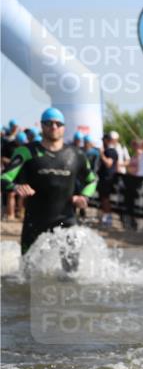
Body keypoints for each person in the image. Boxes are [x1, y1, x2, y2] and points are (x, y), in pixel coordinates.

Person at [0, 107, 96, 258]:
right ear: (42, 125)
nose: (54, 127)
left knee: (71, 275)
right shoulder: (26, 152)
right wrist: (16, 187)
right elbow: (3, 179)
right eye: (49, 123)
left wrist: (84, 196)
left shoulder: (76, 154)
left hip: (67, 221)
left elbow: (92, 180)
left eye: (58, 123)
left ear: (64, 127)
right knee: (26, 274)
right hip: (35, 222)